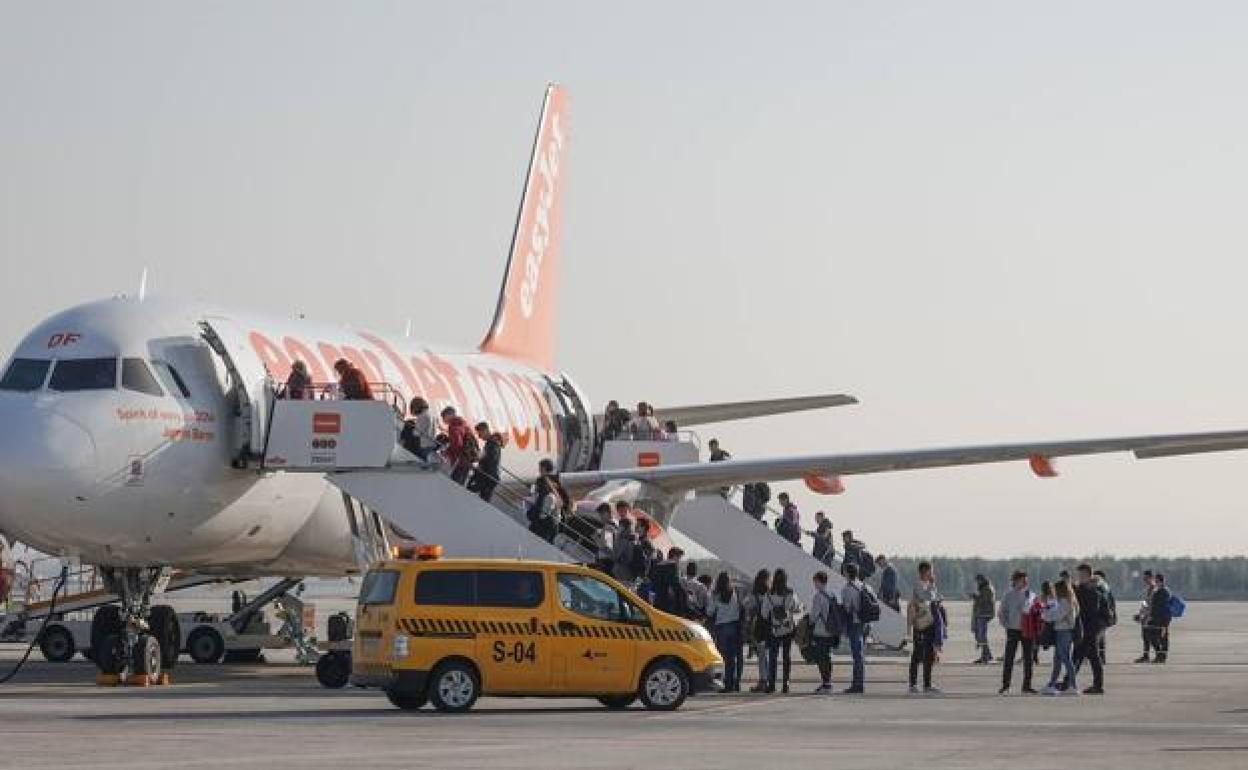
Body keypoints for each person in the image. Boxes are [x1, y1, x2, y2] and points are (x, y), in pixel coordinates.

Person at [760, 568, 801, 693]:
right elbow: (795, 607)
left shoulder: (769, 595)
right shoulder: (790, 593)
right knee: (786, 657)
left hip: (775, 629)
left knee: (773, 657)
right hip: (787, 628)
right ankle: (786, 683)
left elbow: (764, 614)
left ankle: (772, 684)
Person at [906, 561, 943, 694]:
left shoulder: (929, 585)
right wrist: (932, 586)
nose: (932, 574)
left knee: (929, 655)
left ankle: (927, 684)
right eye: (930, 571)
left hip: (930, 623)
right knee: (917, 654)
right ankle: (913, 684)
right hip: (920, 624)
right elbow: (925, 596)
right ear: (923, 572)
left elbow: (933, 598)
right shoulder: (918, 584)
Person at [1070, 563, 1107, 694]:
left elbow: (1088, 612)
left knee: (1090, 657)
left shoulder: (1092, 592)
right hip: (1086, 629)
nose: (1079, 577)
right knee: (1080, 656)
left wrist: (1075, 590)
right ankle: (1069, 682)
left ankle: (1097, 686)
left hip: (1090, 630)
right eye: (1078, 575)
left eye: (1081, 575)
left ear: (1087, 575)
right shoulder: (1085, 589)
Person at [998, 570, 1036, 694]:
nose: (1025, 582)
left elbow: (1036, 612)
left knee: (1028, 659)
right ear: (1015, 581)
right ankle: (1006, 685)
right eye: (1022, 580)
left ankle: (1027, 685)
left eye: (1026, 580)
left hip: (1027, 630)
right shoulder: (1008, 595)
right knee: (1009, 658)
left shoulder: (1031, 595)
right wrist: (1006, 625)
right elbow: (1002, 612)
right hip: (1013, 629)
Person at [706, 572, 743, 692]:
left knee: (722, 657)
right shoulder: (735, 592)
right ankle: (733, 683)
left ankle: (724, 684)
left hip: (721, 627)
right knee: (733, 658)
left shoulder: (715, 595)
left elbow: (710, 611)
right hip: (733, 626)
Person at [1042, 578, 1080, 696]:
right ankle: (1052, 684)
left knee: (1065, 658)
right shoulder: (1066, 601)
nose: (1054, 592)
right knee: (1058, 659)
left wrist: (1044, 614)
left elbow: (1056, 615)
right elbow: (1056, 614)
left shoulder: (1065, 602)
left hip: (1064, 632)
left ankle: (1073, 686)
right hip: (1061, 631)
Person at [810, 571, 842, 694]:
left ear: (818, 581)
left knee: (822, 657)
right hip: (832, 630)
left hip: (821, 631)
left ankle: (826, 684)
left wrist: (809, 622)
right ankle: (828, 682)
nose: (814, 584)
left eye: (815, 582)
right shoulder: (832, 594)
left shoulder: (818, 596)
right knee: (827, 657)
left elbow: (814, 616)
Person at [840, 562, 868, 694]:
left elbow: (846, 608)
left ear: (847, 573)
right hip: (864, 622)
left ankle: (857, 684)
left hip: (854, 622)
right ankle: (859, 683)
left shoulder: (847, 589)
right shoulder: (863, 586)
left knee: (857, 655)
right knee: (860, 654)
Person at [526, 458, 567, 543]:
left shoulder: (543, 481)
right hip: (554, 523)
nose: (539, 470)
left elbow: (540, 500)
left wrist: (531, 514)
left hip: (542, 523)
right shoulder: (557, 483)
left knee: (531, 544)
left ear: (544, 468)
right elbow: (565, 501)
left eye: (540, 468)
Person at [743, 569, 771, 692]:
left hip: (758, 626)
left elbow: (746, 606)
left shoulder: (754, 594)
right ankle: (769, 680)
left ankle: (763, 680)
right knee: (769, 654)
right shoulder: (770, 593)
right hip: (770, 626)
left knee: (761, 655)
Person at [466, 422, 501, 502]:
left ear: (485, 430)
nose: (479, 436)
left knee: (482, 497)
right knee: (483, 498)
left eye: (480, 433)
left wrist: (480, 462)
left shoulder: (492, 444)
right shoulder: (490, 443)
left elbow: (491, 460)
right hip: (488, 475)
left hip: (488, 476)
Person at [440, 406, 475, 484]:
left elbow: (457, 444)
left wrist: (447, 452)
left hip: (461, 461)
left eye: (443, 417)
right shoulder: (463, 423)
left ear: (449, 415)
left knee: (454, 484)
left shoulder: (454, 427)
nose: (443, 420)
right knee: (459, 484)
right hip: (467, 459)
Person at [651, 548, 689, 617]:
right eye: (679, 557)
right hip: (668, 601)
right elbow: (674, 584)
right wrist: (684, 592)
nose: (679, 560)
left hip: (657, 598)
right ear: (674, 556)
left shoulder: (658, 565)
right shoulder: (672, 565)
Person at [399, 397, 437, 461]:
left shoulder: (422, 416)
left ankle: (401, 444)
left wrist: (413, 426)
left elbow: (417, 433)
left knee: (408, 425)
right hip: (431, 443)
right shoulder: (431, 413)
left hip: (424, 444)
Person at [970, 574, 996, 664]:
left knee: (981, 635)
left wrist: (975, 597)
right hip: (981, 614)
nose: (977, 582)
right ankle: (987, 654)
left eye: (978, 580)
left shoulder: (987, 589)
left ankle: (986, 655)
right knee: (979, 635)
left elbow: (984, 601)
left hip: (984, 614)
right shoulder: (984, 588)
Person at [1148, 573, 1173, 664]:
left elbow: (1160, 606)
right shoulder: (1159, 590)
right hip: (1157, 617)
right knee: (1154, 636)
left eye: (1156, 580)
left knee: (1162, 637)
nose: (1155, 581)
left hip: (1162, 618)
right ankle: (1159, 655)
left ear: (1159, 580)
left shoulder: (1164, 591)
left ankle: (1162, 656)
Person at [1093, 569, 1116, 664]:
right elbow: (1112, 603)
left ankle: (1098, 658)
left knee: (1097, 639)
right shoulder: (1107, 588)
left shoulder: (1100, 588)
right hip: (1106, 617)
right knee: (1101, 639)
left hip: (1100, 617)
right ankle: (1101, 658)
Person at [592, 503, 617, 575]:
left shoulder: (608, 527)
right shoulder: (613, 525)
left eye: (602, 514)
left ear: (608, 513)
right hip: (608, 562)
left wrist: (596, 538)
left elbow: (607, 548)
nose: (600, 516)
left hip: (605, 562)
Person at [611, 515, 637, 583]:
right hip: (625, 575)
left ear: (624, 528)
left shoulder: (625, 541)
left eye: (620, 526)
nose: (618, 528)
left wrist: (617, 536)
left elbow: (615, 556)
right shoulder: (632, 540)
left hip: (620, 574)